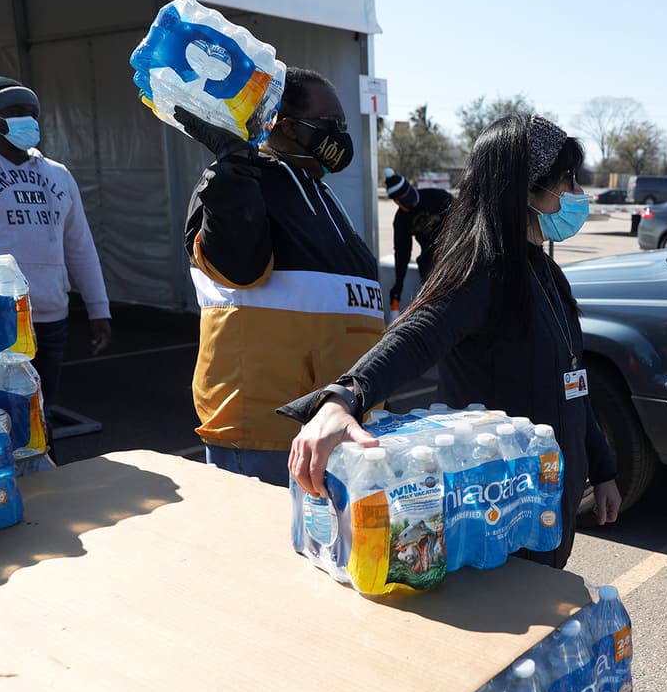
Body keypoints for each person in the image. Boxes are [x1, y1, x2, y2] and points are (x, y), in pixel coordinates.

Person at [282, 114, 622, 569]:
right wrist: (342, 398)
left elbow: (573, 383)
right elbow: (416, 335)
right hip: (497, 511)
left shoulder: (545, 273)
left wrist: (603, 471)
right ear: (526, 188)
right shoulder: (484, 271)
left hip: (548, 504)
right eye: (568, 181)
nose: (578, 196)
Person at [178, 67, 382, 486]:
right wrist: (232, 170)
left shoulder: (319, 192)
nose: (342, 135)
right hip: (268, 439)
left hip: (332, 429)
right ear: (286, 126)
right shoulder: (239, 184)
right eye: (332, 125)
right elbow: (237, 267)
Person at [0, 76, 112, 407]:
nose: (28, 120)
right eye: (15, 111)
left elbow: (80, 246)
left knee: (41, 408)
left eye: (32, 113)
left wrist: (99, 308)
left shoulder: (58, 174)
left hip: (51, 314)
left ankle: (46, 456)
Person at [383, 168, 453, 309]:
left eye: (409, 194)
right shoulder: (401, 221)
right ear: (396, 202)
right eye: (403, 200)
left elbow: (465, 217)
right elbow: (402, 253)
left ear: (411, 187)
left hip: (454, 247)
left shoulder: (437, 197)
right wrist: (398, 285)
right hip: (430, 258)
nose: (409, 201)